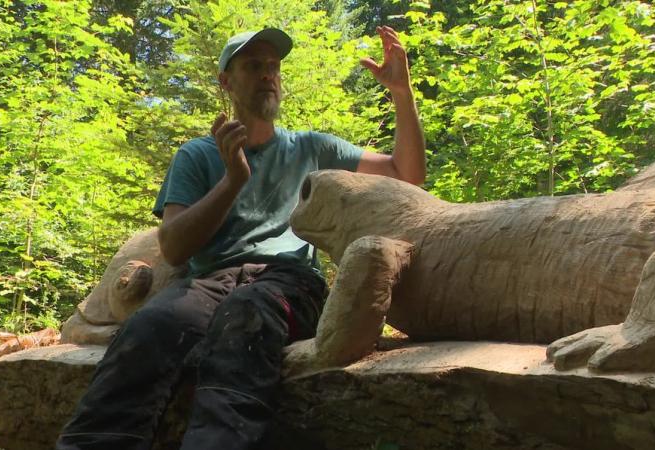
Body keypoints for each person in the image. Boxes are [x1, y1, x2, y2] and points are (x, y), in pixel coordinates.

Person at [56, 25, 425, 450]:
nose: (269, 74)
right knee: (149, 326)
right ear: (226, 82)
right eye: (254, 66)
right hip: (210, 282)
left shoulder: (313, 149)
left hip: (289, 283)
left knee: (246, 317)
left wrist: (401, 92)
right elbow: (174, 246)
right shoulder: (197, 155)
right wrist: (232, 181)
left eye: (273, 67)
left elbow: (407, 174)